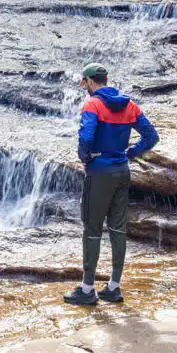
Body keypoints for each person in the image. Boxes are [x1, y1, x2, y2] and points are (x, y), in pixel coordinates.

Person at [63, 63, 160, 306]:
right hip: (122, 172)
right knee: (118, 228)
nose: (83, 86)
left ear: (89, 82)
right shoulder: (130, 105)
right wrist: (129, 154)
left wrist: (85, 157)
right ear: (107, 79)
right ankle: (113, 287)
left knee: (92, 228)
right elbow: (151, 136)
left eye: (83, 82)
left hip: (100, 173)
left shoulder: (93, 104)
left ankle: (87, 289)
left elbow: (86, 136)